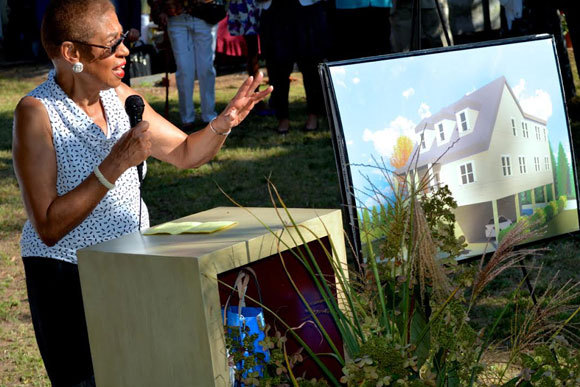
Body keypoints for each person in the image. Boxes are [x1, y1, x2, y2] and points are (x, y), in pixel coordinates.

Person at [11, 0, 272, 385]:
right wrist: (114, 164)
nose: (125, 51)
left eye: (125, 37)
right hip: (67, 279)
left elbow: (184, 152)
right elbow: (48, 225)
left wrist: (223, 123)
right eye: (111, 43)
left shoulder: (119, 97)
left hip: (130, 265)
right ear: (72, 53)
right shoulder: (36, 113)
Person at [259, 0, 329, 134]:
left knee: (311, 69)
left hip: (307, 12)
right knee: (277, 71)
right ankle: (282, 119)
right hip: (274, 13)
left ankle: (313, 116)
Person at [149, 0, 220, 132]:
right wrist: (159, 11)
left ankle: (209, 115)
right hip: (175, 17)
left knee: (206, 68)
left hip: (203, 14)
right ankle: (187, 118)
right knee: (184, 69)